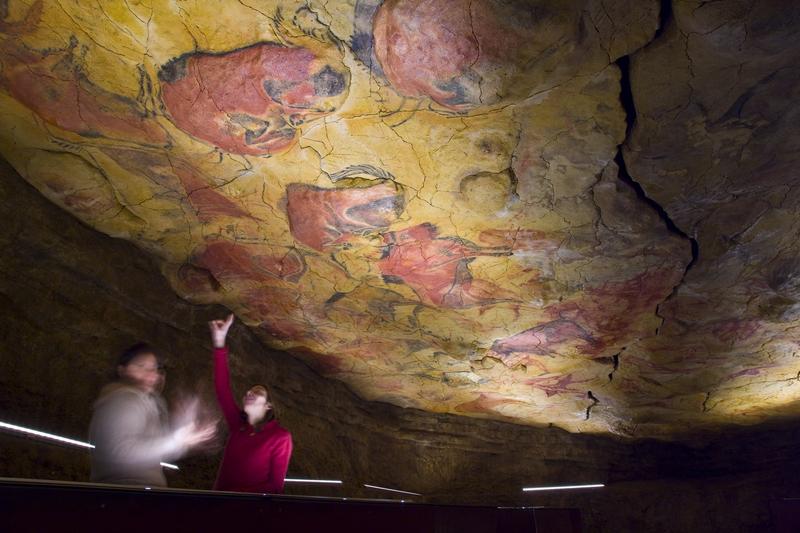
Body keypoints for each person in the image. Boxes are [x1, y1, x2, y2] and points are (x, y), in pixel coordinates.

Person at [88, 342, 216, 487]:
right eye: (141, 366)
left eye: (153, 368)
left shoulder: (147, 402)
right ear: (122, 370)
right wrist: (177, 439)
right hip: (125, 492)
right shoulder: (123, 400)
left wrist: (183, 428)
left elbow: (157, 452)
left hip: (141, 491)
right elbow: (119, 452)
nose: (150, 374)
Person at [209, 314, 293, 493]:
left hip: (250, 511)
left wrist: (235, 495)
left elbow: (275, 486)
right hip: (218, 506)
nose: (249, 393)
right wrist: (219, 342)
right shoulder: (238, 426)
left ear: (268, 406)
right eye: (249, 391)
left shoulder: (280, 437)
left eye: (257, 392)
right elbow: (221, 388)